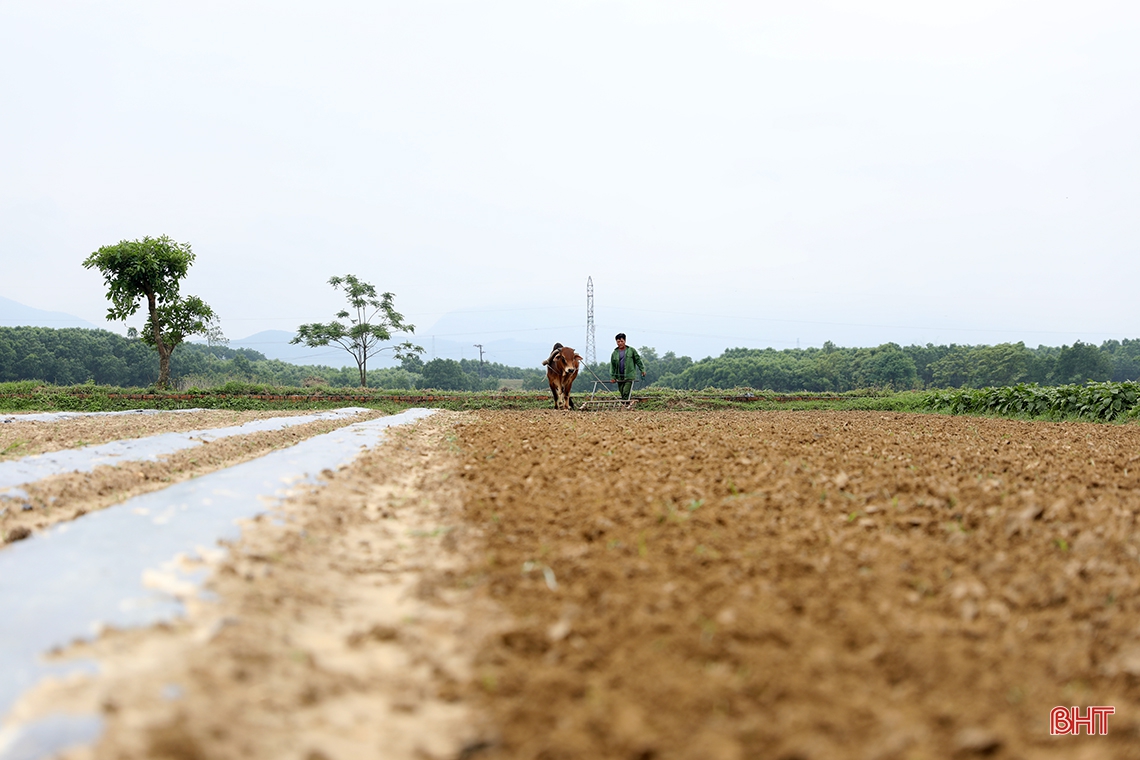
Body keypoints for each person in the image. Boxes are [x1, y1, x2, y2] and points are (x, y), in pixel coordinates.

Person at [610, 333, 646, 401]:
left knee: (626, 392)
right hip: (619, 377)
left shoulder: (631, 350)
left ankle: (624, 406)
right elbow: (613, 366)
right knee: (622, 392)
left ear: (625, 341)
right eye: (618, 342)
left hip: (629, 376)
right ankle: (626, 404)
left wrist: (642, 370)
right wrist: (613, 377)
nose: (620, 343)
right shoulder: (614, 353)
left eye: (621, 341)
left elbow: (638, 360)